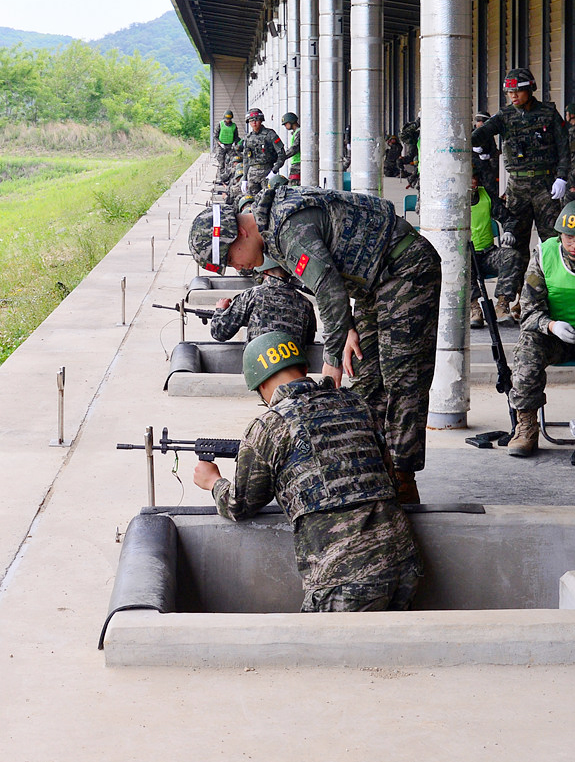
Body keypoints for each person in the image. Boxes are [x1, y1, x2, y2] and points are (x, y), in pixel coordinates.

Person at [188, 184, 442, 504]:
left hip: (405, 267)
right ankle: (374, 464)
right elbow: (325, 281)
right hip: (370, 283)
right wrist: (345, 325)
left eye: (230, 258)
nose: (238, 268)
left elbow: (329, 290)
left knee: (401, 375)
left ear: (240, 232)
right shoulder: (269, 230)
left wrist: (331, 360)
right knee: (365, 374)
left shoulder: (288, 228)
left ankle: (403, 479)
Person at [193, 331, 422, 612]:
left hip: (343, 575)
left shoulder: (269, 426)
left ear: (262, 386)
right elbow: (389, 478)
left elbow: (240, 505)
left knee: (320, 655)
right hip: (404, 560)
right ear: (303, 369)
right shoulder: (357, 403)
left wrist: (213, 482)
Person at [507, 199, 575, 457]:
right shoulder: (544, 256)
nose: (574, 246)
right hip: (555, 338)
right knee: (526, 352)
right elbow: (529, 310)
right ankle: (526, 428)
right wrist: (552, 326)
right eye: (568, 239)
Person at [471, 68, 570, 284]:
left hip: (546, 186)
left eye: (517, 91)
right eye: (509, 92)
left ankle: (552, 290)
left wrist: (562, 177)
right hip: (517, 187)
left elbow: (564, 149)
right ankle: (515, 299)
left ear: (530, 90)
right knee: (516, 242)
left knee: (552, 241)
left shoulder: (548, 113)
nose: (513, 96)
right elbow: (478, 135)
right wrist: (474, 147)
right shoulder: (504, 116)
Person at [210, 258, 317, 348]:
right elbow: (308, 342)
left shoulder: (252, 295)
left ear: (263, 270)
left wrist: (220, 310)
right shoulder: (305, 303)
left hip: (258, 369)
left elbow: (219, 332)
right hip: (294, 371)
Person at [469, 172, 526, 330]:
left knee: (512, 256)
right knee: (460, 264)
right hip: (465, 255)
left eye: (474, 178)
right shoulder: (451, 199)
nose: (472, 182)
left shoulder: (486, 196)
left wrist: (508, 231)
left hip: (487, 254)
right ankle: (474, 309)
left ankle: (502, 305)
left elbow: (508, 218)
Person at [242, 107, 286, 198]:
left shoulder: (270, 134)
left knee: (268, 201)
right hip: (252, 174)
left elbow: (282, 154)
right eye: (251, 120)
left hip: (267, 172)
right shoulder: (248, 138)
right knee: (253, 202)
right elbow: (246, 159)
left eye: (256, 120)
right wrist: (244, 179)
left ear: (261, 120)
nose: (254, 123)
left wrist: (274, 171)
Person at [472, 111, 500, 197]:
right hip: (473, 169)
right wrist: (472, 149)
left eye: (482, 121)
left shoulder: (488, 136)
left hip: (486, 168)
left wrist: (489, 156)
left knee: (491, 190)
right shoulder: (471, 134)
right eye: (478, 120)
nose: (480, 123)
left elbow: (494, 151)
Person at [214, 110, 240, 180]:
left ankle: (232, 176)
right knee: (221, 162)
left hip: (230, 145)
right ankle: (221, 178)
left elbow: (236, 137)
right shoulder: (220, 124)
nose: (228, 120)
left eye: (229, 119)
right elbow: (215, 136)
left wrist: (234, 142)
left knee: (234, 160)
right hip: (221, 145)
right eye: (227, 119)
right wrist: (220, 144)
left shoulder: (234, 126)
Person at [564, 102, 575, 204]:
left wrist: (573, 183)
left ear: (572, 115)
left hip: (573, 176)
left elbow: (573, 156)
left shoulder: (574, 132)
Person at [280, 112, 301, 183]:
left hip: (298, 164)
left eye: (286, 124)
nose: (285, 126)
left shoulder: (299, 132)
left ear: (291, 122)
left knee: (293, 186)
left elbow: (294, 148)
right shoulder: (296, 132)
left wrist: (282, 156)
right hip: (297, 163)